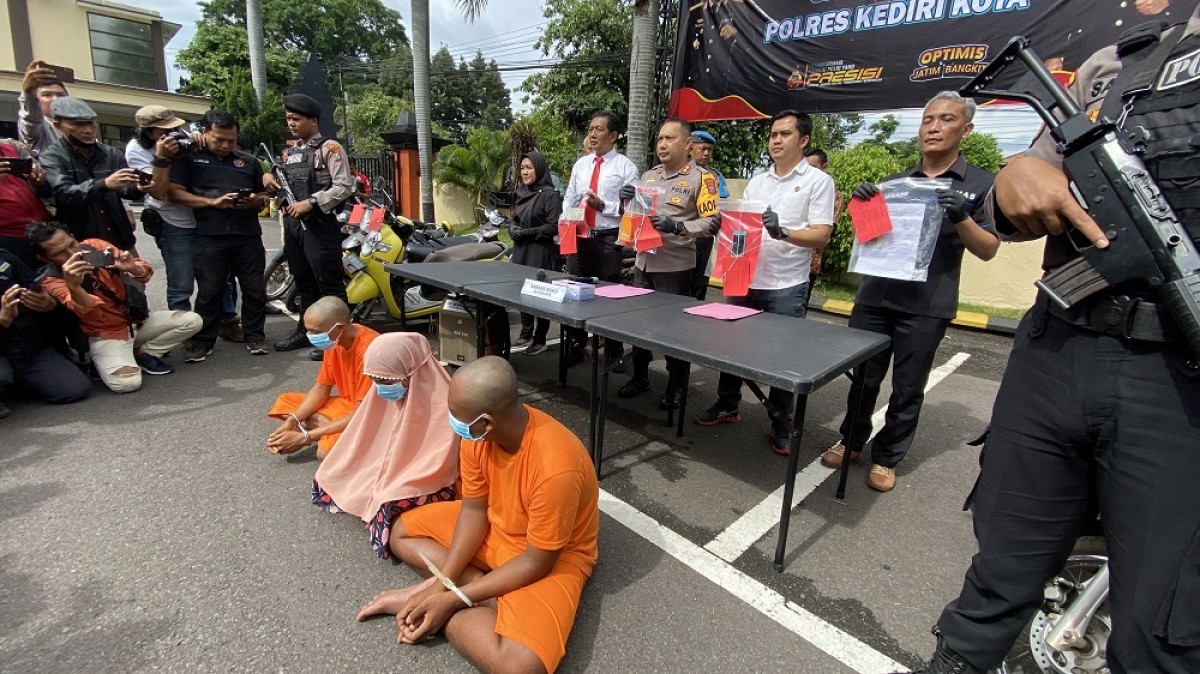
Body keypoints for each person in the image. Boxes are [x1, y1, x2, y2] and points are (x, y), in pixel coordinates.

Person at [907, 11, 1200, 673]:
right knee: (999, 574)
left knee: (1160, 630)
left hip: (1179, 382)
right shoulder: (1115, 61)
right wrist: (1014, 183)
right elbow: (1012, 202)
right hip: (1059, 348)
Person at [356, 356, 599, 674]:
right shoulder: (479, 436)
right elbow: (473, 511)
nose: (451, 420)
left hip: (549, 555)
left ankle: (458, 601)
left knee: (520, 667)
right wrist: (442, 586)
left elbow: (537, 561)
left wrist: (451, 601)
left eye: (455, 414)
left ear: (486, 422)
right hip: (496, 525)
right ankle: (483, 593)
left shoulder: (555, 466)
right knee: (400, 532)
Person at [823, 91, 999, 493]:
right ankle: (851, 440)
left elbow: (988, 249)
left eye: (947, 120)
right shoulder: (895, 183)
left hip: (927, 305)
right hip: (875, 298)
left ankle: (887, 457)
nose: (934, 127)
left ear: (966, 129)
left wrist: (961, 215)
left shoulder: (980, 185)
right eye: (927, 119)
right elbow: (871, 240)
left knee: (907, 386)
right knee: (863, 380)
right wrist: (863, 205)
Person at [693, 111, 835, 455]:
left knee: (782, 356)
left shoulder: (818, 182)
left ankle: (781, 422)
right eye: (773, 134)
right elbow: (739, 227)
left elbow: (822, 234)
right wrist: (721, 229)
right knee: (731, 346)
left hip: (786, 282)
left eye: (785, 134)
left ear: (802, 141)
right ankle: (728, 405)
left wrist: (782, 230)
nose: (776, 140)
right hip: (745, 276)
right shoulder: (758, 182)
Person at [311, 332, 459, 558]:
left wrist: (393, 476)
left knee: (390, 501)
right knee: (333, 470)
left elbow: (438, 461)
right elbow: (366, 434)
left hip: (423, 473)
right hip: (390, 460)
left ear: (411, 371)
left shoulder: (445, 401)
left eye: (386, 381)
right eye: (375, 380)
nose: (380, 388)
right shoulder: (385, 388)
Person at [616, 117, 718, 410]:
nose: (662, 144)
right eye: (659, 138)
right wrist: (626, 202)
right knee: (638, 326)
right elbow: (635, 217)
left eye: (669, 138)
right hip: (644, 264)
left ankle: (676, 385)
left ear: (687, 144)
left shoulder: (703, 179)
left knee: (673, 331)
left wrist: (677, 227)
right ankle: (640, 375)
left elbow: (712, 223)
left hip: (675, 266)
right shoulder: (648, 177)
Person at [30, 222, 201, 392]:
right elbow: (89, 309)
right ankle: (106, 360)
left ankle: (142, 353)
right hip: (106, 335)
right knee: (128, 384)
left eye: (72, 244)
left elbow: (145, 272)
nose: (72, 254)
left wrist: (133, 268)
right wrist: (74, 286)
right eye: (60, 253)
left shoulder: (94, 245)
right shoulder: (51, 280)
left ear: (74, 238)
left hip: (135, 321)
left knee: (192, 321)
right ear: (44, 258)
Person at [168, 110, 272, 361]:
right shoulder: (190, 158)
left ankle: (255, 335)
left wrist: (255, 200)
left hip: (247, 236)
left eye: (231, 140)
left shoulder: (248, 162)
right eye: (219, 139)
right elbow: (175, 193)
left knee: (255, 289)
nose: (226, 145)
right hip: (210, 236)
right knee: (210, 291)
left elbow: (265, 196)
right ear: (205, 133)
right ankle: (203, 340)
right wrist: (212, 202)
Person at [272, 94, 355, 359]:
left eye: (296, 119)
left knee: (328, 283)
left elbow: (344, 186)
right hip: (294, 224)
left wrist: (311, 202)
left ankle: (340, 337)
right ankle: (306, 332)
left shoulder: (329, 149)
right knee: (304, 282)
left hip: (320, 223)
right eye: (288, 119)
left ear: (313, 120)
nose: (291, 124)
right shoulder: (291, 153)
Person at [560, 111, 640, 366]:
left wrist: (603, 205)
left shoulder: (625, 167)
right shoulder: (581, 165)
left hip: (607, 240)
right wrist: (570, 218)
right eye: (590, 129)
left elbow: (634, 208)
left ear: (613, 136)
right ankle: (576, 347)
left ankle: (614, 354)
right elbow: (569, 196)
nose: (592, 134)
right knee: (575, 295)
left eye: (599, 129)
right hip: (579, 239)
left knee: (608, 297)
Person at [265, 297, 379, 460]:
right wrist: (291, 421)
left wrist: (305, 437)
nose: (310, 336)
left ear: (339, 327)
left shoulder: (370, 351)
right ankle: (332, 431)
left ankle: (333, 433)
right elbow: (320, 389)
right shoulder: (335, 341)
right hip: (348, 408)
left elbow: (363, 414)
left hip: (369, 415)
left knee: (324, 453)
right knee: (285, 402)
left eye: (316, 332)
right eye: (308, 330)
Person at [38, 97, 142, 253]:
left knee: (134, 276)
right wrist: (104, 184)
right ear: (58, 125)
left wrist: (141, 186)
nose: (87, 130)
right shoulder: (52, 157)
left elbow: (126, 192)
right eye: (77, 124)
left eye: (91, 123)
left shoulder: (111, 153)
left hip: (119, 240)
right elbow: (64, 193)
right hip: (80, 243)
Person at [125, 106, 200, 314]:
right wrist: (162, 159)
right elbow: (158, 191)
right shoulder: (136, 150)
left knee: (217, 278)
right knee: (181, 282)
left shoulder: (182, 138)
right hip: (172, 222)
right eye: (163, 132)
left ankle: (224, 322)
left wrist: (200, 141)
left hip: (202, 217)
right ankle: (181, 326)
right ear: (148, 133)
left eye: (174, 129)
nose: (171, 136)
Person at [0, 248, 91, 415]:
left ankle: (20, 383)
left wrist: (48, 303)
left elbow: (34, 286)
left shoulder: (6, 258)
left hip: (26, 347)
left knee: (74, 388)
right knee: (2, 375)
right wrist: (2, 321)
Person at [510, 151, 563, 356]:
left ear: (539, 169)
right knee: (522, 291)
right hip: (521, 250)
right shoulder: (521, 193)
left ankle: (540, 339)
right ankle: (526, 332)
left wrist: (526, 233)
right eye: (522, 168)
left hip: (540, 251)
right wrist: (512, 229)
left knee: (539, 294)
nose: (525, 172)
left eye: (529, 167)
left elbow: (553, 227)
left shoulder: (550, 195)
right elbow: (515, 219)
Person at [688, 129, 730, 300]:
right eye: (702, 148)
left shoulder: (716, 177)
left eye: (709, 150)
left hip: (703, 237)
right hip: (680, 235)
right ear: (690, 147)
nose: (706, 153)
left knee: (699, 282)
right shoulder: (679, 172)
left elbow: (724, 206)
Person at [0, 136, 52, 268]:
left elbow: (45, 185)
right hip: (9, 236)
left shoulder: (11, 147)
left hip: (43, 227)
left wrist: (39, 179)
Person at [17, 61, 68, 157]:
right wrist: (28, 94)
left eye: (61, 95)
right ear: (36, 100)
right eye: (47, 95)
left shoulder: (82, 127)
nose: (55, 99)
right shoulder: (38, 128)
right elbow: (31, 119)